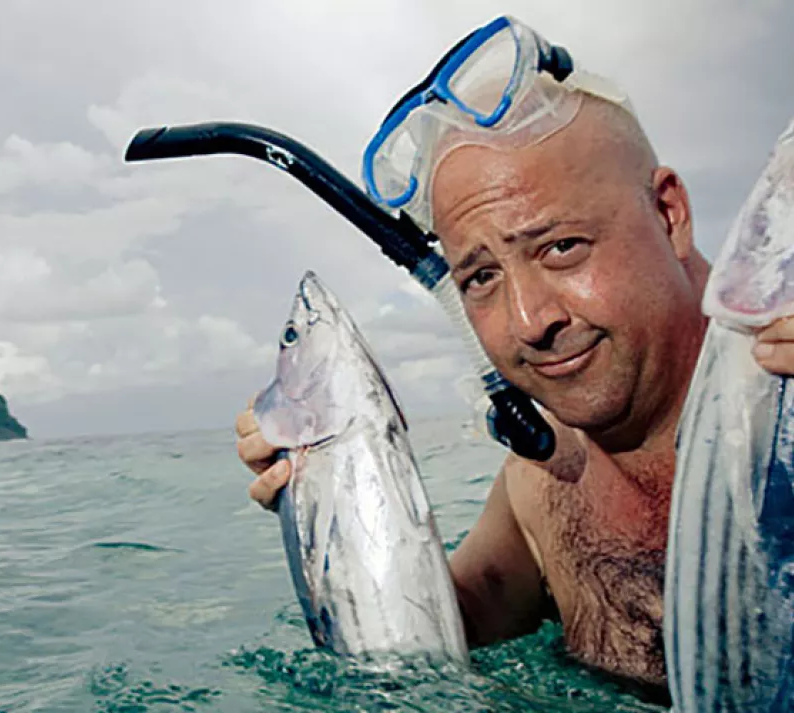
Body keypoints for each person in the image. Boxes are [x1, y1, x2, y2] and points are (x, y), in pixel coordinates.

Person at [233, 15, 794, 696]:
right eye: (481, 278)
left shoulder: (779, 394)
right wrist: (329, 504)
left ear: (669, 213)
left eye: (561, 247)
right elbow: (435, 644)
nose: (530, 321)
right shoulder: (544, 476)